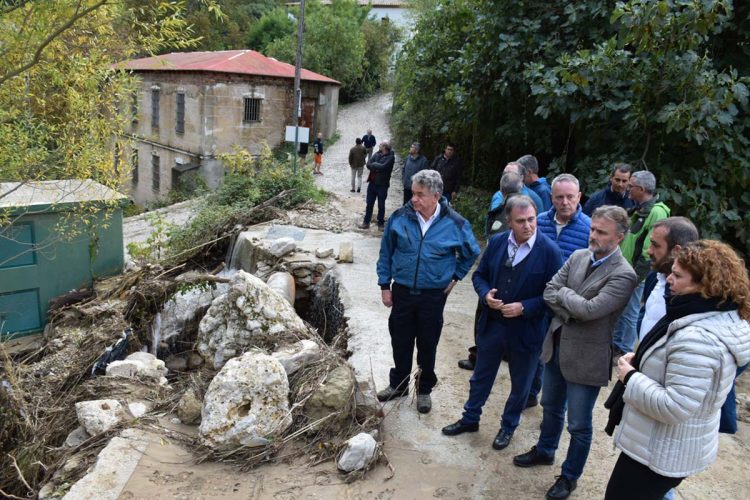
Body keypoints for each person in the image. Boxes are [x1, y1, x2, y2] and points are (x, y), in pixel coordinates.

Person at [604, 240, 750, 500]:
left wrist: (631, 377)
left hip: (660, 451)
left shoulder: (698, 338)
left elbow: (675, 406)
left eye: (678, 275)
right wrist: (647, 359)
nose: (668, 278)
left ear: (705, 286)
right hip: (671, 445)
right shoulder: (715, 314)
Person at [513, 205, 638, 500]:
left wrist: (568, 300)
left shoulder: (625, 274)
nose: (592, 235)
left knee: (579, 424)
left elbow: (591, 310)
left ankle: (569, 477)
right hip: (556, 346)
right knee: (550, 408)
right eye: (593, 229)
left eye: (601, 232)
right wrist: (575, 305)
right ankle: (545, 451)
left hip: (587, 358)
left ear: (619, 237)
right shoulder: (578, 256)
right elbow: (549, 292)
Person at [442, 196, 563, 451]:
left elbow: (555, 296)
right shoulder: (497, 243)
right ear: (509, 222)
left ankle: (508, 427)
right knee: (481, 376)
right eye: (521, 221)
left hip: (527, 331)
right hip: (493, 325)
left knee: (521, 384)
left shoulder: (550, 251)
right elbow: (480, 275)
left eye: (531, 219)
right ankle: (470, 418)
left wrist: (525, 307)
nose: (528, 225)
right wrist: (485, 294)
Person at [376, 169, 481, 413]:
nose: (413, 199)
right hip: (401, 291)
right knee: (400, 340)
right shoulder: (400, 217)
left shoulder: (455, 223)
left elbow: (472, 252)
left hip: (433, 296)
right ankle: (399, 384)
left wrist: (455, 277)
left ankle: (424, 390)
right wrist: (384, 285)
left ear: (436, 195)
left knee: (427, 343)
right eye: (413, 193)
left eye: (419, 194)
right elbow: (386, 252)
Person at [528, 173, 591, 408]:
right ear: (551, 198)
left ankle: (555, 408)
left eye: (570, 197)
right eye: (559, 197)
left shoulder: (589, 229)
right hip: (537, 299)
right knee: (535, 351)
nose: (565, 202)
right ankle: (531, 393)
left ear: (579, 197)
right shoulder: (538, 222)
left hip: (566, 305)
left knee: (560, 357)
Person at [458, 171, 524, 372]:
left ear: (502, 191)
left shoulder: (506, 213)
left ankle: (480, 357)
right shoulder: (527, 207)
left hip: (497, 278)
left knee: (485, 318)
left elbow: (498, 247)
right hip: (516, 277)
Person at [612, 170, 670, 358]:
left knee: (630, 310)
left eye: (631, 186)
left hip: (635, 272)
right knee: (622, 308)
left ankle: (624, 349)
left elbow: (648, 249)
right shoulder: (639, 208)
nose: (627, 189)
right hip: (626, 268)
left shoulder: (656, 211)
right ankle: (617, 343)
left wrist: (637, 277)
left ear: (642, 189)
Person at [359, 141, 395, 230]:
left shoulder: (391, 157)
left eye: (381, 145)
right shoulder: (377, 154)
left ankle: (381, 224)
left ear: (384, 147)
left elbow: (384, 167)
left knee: (381, 205)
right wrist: (376, 167)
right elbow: (368, 164)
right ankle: (366, 222)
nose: (379, 145)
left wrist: (374, 165)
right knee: (369, 204)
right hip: (372, 183)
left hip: (382, 185)